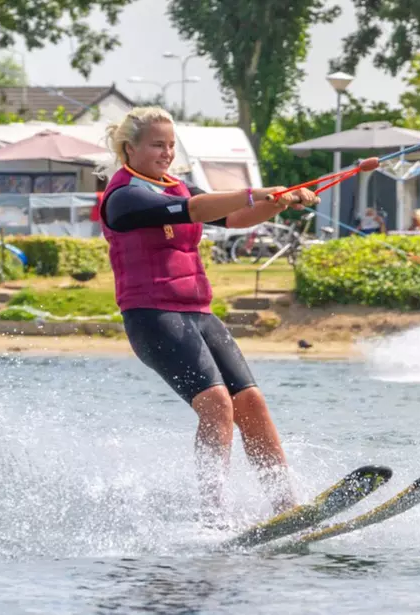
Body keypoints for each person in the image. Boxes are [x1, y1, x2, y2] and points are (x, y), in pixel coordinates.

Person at [96, 107, 319, 523]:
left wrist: (280, 203)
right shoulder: (124, 196)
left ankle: (287, 506)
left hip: (197, 312)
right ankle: (212, 514)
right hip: (152, 316)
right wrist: (259, 191)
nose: (166, 152)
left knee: (250, 402)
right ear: (131, 148)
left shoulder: (176, 186)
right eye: (157, 145)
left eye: (170, 145)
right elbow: (197, 210)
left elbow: (233, 218)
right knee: (217, 405)